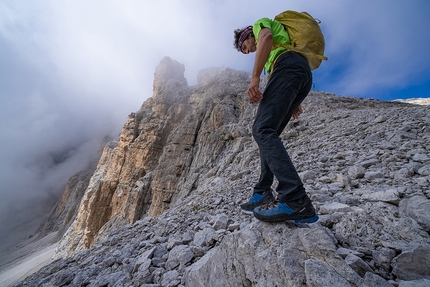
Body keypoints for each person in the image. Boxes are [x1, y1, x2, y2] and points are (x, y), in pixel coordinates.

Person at [233, 17, 318, 223]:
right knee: (268, 132)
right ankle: (262, 192)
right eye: (244, 52)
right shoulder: (277, 51)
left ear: (247, 35)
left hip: (288, 67)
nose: (248, 51)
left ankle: (295, 198)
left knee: (261, 129)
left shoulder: (259, 25)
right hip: (299, 73)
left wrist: (255, 77)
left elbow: (266, 37)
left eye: (245, 46)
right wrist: (294, 101)